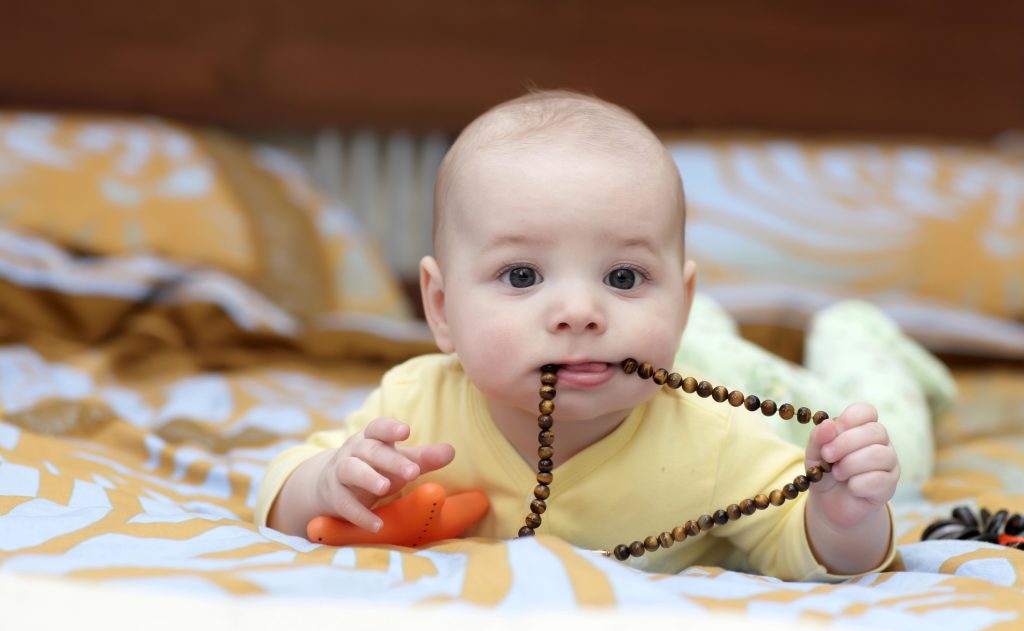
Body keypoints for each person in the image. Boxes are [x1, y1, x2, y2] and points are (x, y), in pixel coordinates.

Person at [254, 90, 900, 580]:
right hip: (662, 345)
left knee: (875, 438)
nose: (578, 310)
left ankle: (860, 337)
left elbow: (806, 548)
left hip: (737, 378)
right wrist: (326, 483)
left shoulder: (716, 439)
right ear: (442, 308)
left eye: (623, 275)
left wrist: (843, 514)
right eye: (522, 274)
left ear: (681, 299)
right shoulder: (414, 408)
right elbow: (278, 488)